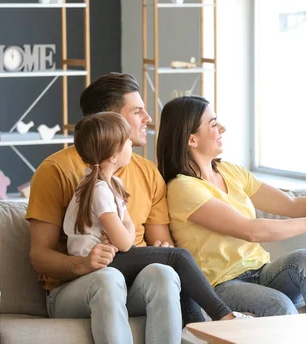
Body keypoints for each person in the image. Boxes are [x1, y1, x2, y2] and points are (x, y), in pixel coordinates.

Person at [156, 95, 306, 317]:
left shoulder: (230, 172)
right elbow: (250, 230)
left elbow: (290, 204)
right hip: (222, 285)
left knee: (305, 258)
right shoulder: (183, 188)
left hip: (262, 272)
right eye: (213, 124)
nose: (222, 128)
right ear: (191, 139)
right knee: (279, 305)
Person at [26, 73, 185, 344]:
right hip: (73, 290)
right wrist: (84, 264)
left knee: (165, 272)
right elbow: (40, 255)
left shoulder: (147, 172)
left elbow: (160, 241)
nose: (148, 118)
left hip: (131, 281)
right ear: (110, 120)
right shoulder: (55, 170)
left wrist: (163, 249)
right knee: (107, 279)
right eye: (137, 111)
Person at [64, 111, 250, 323]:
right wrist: (126, 227)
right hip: (100, 265)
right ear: (113, 155)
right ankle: (224, 316)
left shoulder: (112, 183)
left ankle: (201, 327)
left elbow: (122, 236)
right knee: (178, 257)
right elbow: (125, 243)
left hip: (112, 257)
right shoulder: (100, 190)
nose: (131, 147)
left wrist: (123, 229)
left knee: (173, 263)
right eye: (126, 142)